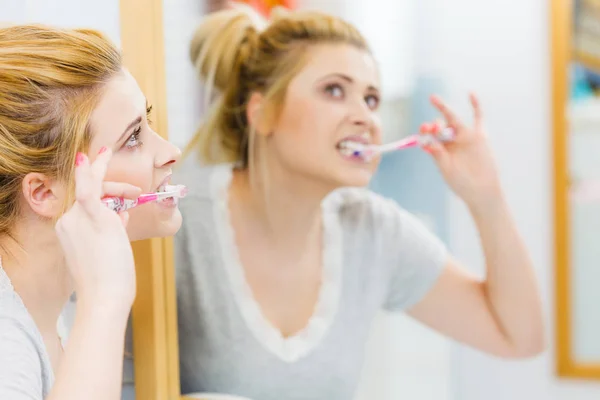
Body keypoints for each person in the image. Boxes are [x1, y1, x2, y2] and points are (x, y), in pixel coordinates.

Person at [174, 5, 545, 400]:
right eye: (334, 90)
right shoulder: (178, 223)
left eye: (371, 99)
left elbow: (518, 337)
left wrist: (487, 199)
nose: (365, 117)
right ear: (262, 112)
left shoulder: (374, 231)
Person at [0, 24, 182, 399]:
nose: (170, 152)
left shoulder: (54, 310)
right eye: (133, 137)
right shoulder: (8, 348)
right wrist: (105, 299)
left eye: (147, 123)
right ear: (44, 192)